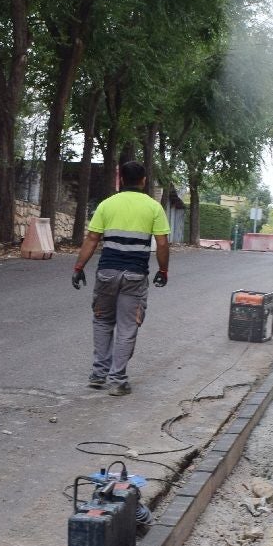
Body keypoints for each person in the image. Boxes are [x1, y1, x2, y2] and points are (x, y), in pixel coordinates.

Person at [70, 160, 170, 395]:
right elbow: (163, 243)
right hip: (135, 275)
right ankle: (117, 380)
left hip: (106, 273)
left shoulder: (107, 205)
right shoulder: (153, 207)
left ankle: (98, 374)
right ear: (144, 181)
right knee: (127, 327)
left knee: (103, 321)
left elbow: (92, 239)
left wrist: (78, 267)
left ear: (121, 180)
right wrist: (163, 270)